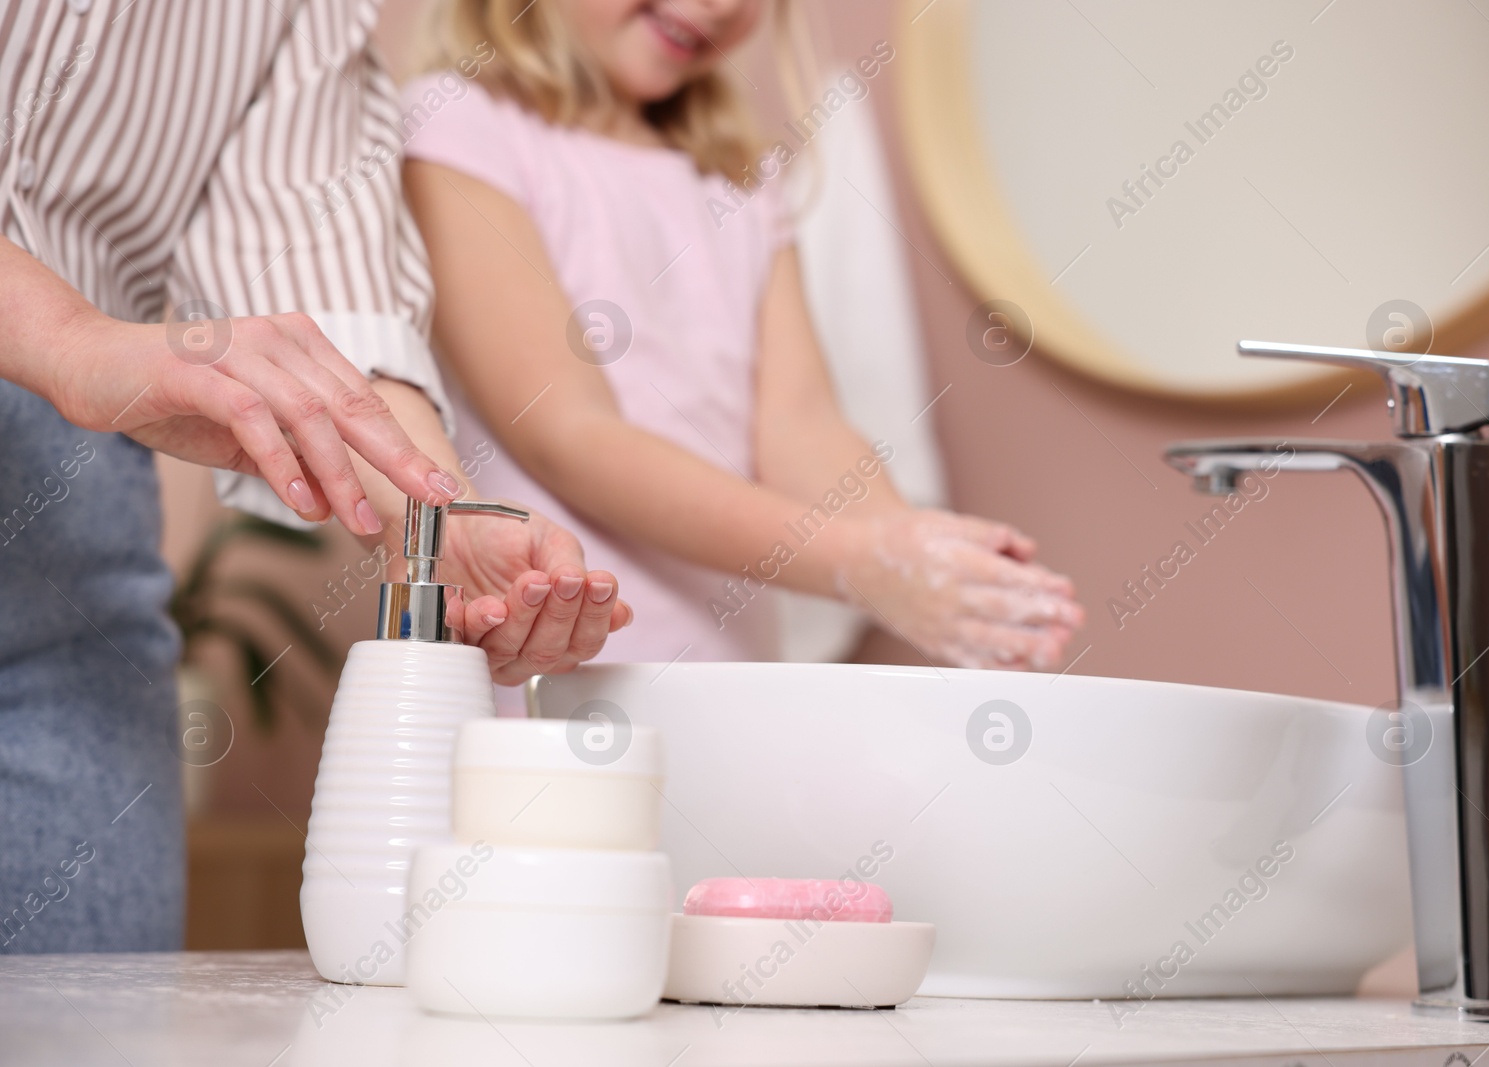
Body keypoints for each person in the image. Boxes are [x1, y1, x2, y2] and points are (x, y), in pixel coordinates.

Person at [0, 0, 627, 954]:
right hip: (69, 400)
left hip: (67, 531)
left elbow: (322, 296)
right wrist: (64, 339)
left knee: (95, 1015)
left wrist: (436, 526)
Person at [401, 0, 1085, 715]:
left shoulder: (740, 175)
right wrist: (857, 565)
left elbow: (798, 422)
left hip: (729, 677)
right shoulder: (460, 125)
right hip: (543, 675)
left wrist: (909, 547)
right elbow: (566, 433)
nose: (720, 6)